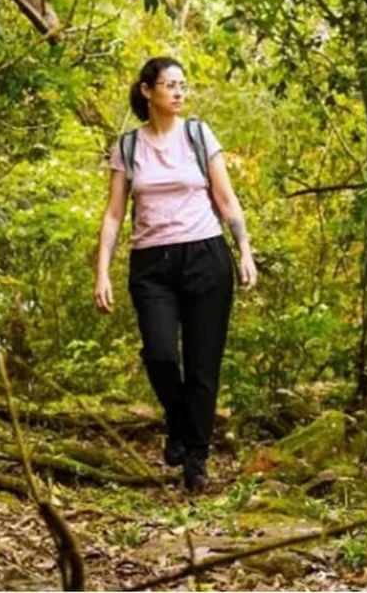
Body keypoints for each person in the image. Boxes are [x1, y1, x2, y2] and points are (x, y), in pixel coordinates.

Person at [94, 56, 258, 491]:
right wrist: (102, 271)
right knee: (162, 354)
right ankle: (178, 421)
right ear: (148, 91)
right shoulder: (128, 147)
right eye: (170, 85)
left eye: (183, 85)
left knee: (203, 364)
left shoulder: (198, 135)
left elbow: (226, 199)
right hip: (152, 264)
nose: (180, 92)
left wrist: (244, 249)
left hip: (206, 256)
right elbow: (113, 215)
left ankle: (196, 460)